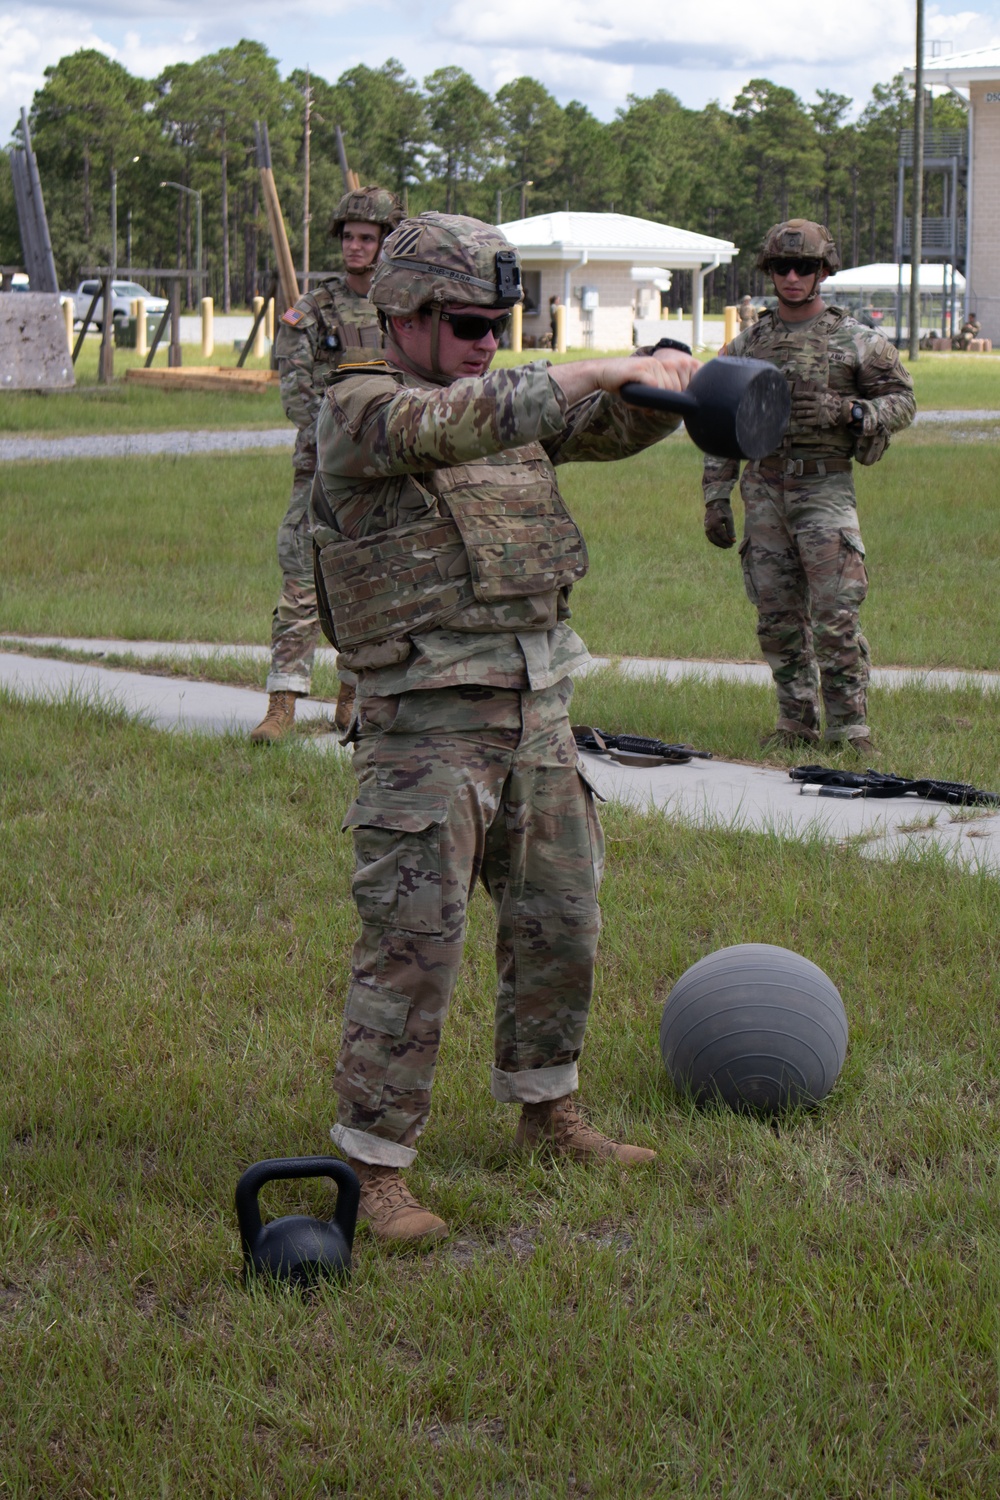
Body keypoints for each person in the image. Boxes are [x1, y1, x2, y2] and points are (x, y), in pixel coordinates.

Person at [311, 212, 700, 1242]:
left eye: (502, 321)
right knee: (412, 946)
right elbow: (457, 424)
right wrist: (594, 365)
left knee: (560, 922)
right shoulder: (358, 409)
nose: (490, 339)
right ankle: (374, 1165)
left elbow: (601, 428)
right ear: (405, 315)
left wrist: (664, 385)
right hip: (425, 727)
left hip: (537, 709)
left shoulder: (509, 401)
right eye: (471, 322)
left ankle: (548, 1109)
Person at [702, 220, 915, 756]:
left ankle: (848, 728)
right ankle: (794, 723)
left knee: (836, 614)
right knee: (775, 616)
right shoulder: (749, 343)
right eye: (781, 268)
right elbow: (721, 421)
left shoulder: (857, 340)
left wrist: (850, 410)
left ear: (824, 271)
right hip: (764, 488)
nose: (792, 277)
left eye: (804, 268)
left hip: (824, 488)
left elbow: (903, 402)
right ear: (769, 272)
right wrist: (715, 496)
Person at [249, 186, 404, 744]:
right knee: (300, 583)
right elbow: (295, 396)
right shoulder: (314, 309)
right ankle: (282, 704)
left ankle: (351, 697)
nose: (356, 247)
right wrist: (349, 436)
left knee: (370, 583)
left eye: (368, 238)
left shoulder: (404, 310)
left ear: (388, 243)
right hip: (323, 471)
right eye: (349, 237)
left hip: (387, 471)